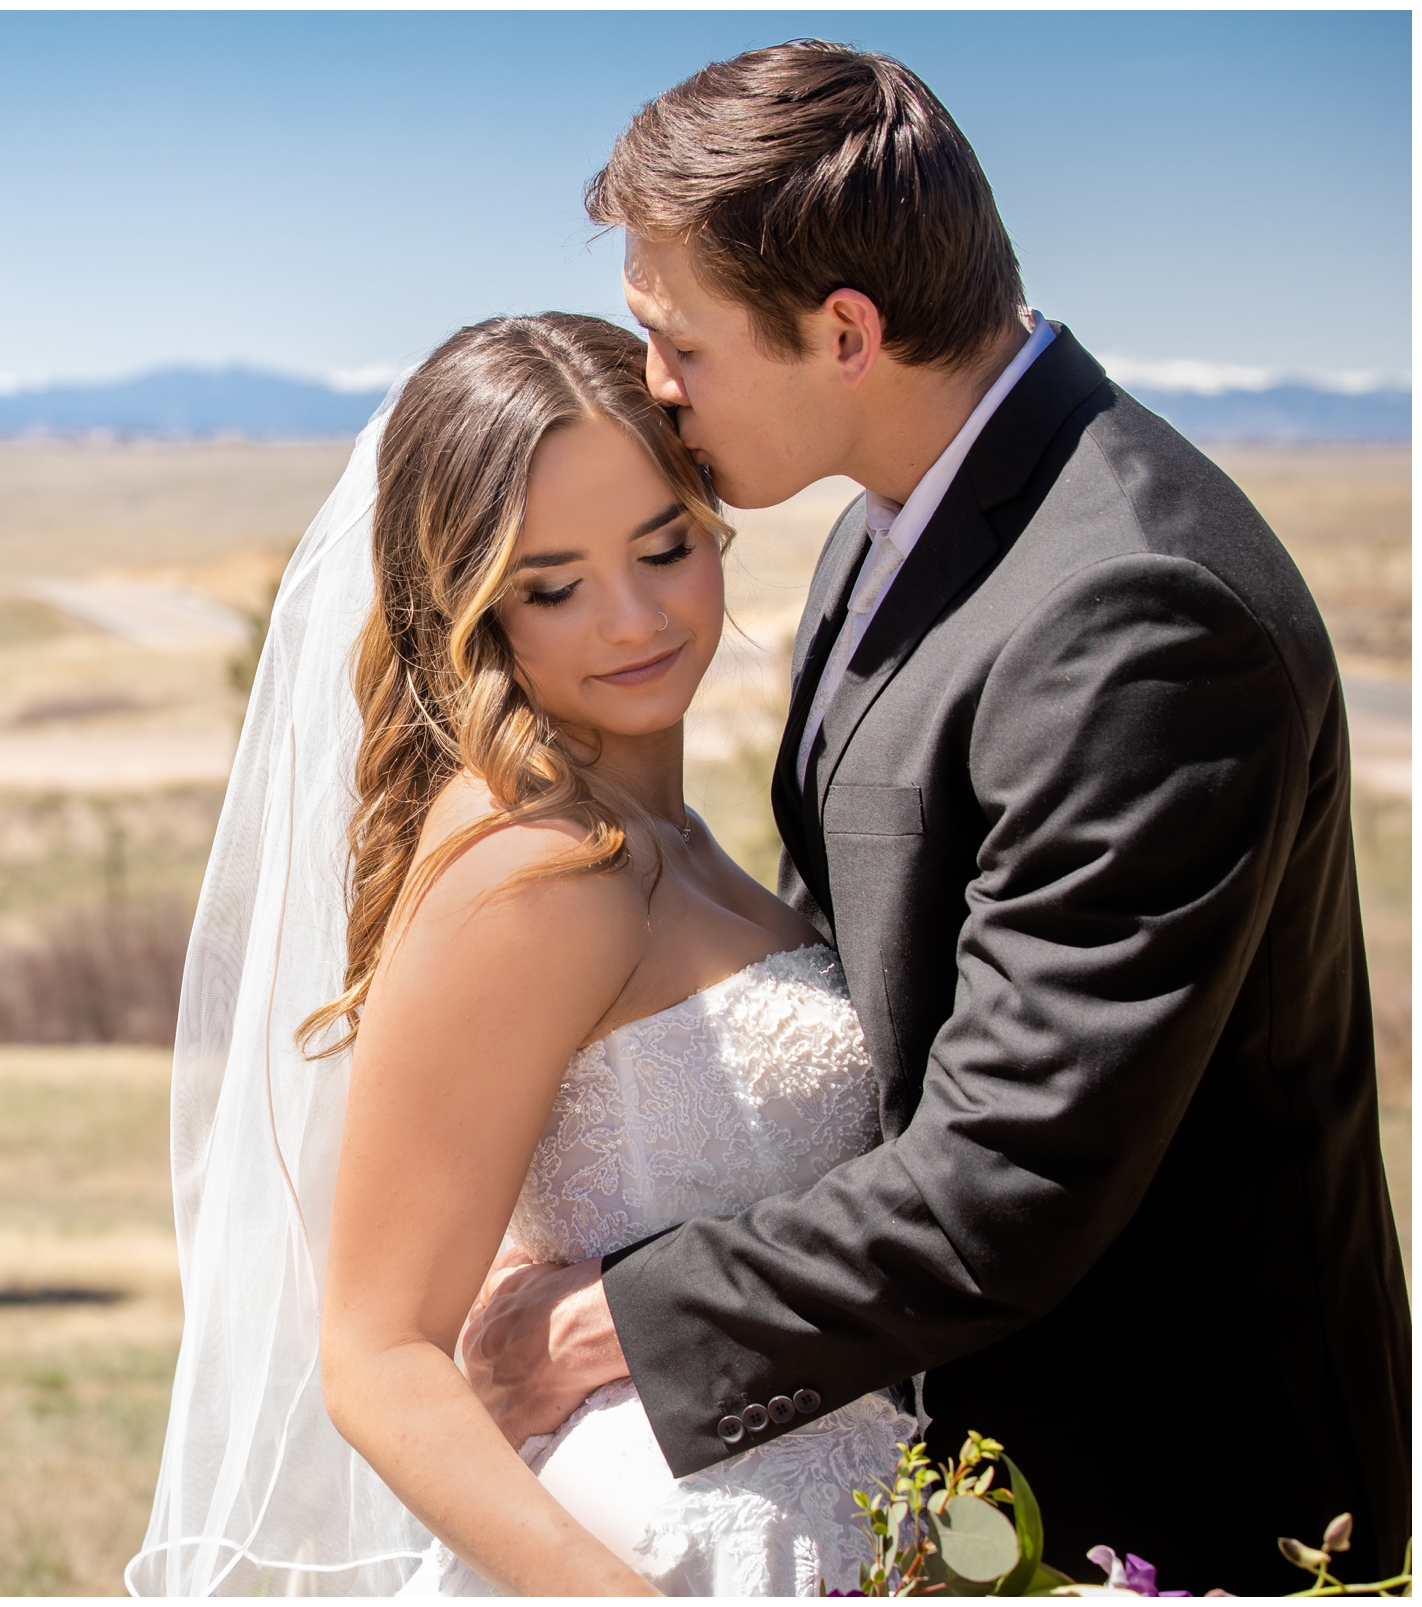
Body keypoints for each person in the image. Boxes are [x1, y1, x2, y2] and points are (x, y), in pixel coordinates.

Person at [457, 40, 1411, 1595]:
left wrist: (601, 1322)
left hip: (1168, 1484)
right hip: (946, 1444)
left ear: (844, 330)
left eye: (678, 340)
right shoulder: (884, 532)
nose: (658, 386)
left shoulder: (1134, 609)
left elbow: (1013, 1169)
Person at [129, 311, 914, 1597]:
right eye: (551, 585)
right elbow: (378, 1358)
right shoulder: (529, 866)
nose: (633, 618)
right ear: (470, 604)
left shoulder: (677, 833)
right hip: (663, 1551)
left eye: (665, 546)